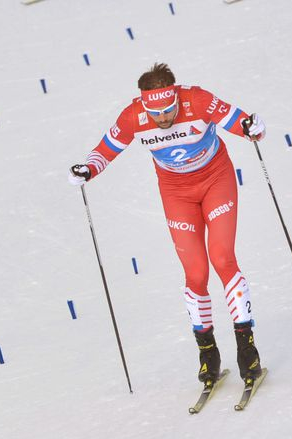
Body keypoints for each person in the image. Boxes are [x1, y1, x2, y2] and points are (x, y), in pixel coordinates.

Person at [69, 63, 265, 388]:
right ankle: (208, 353)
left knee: (222, 259)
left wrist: (251, 127)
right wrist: (87, 169)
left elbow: (236, 119)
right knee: (196, 274)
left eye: (168, 109)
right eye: (155, 111)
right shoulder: (133, 117)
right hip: (176, 193)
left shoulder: (197, 100)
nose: (162, 118)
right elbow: (106, 149)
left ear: (176, 96)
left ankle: (247, 350)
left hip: (216, 180)